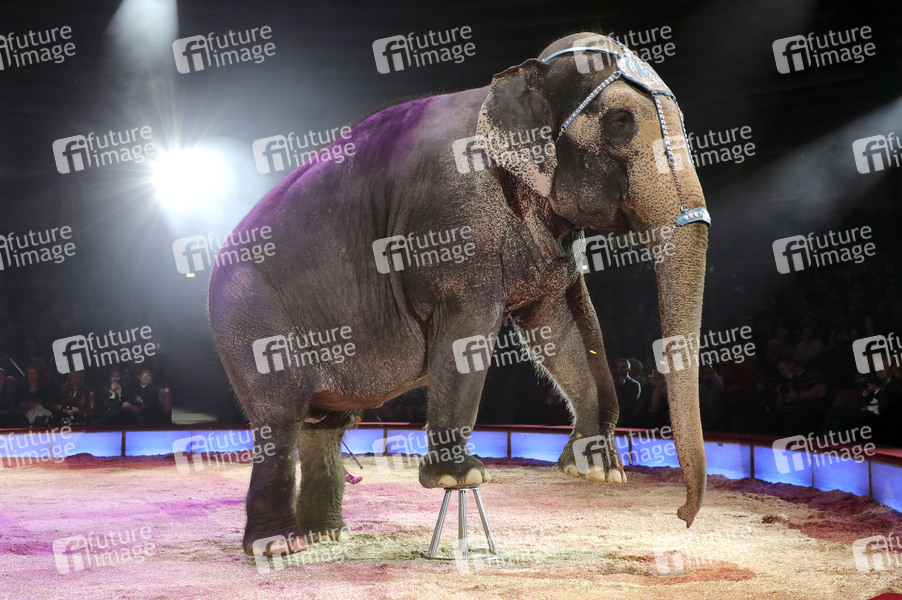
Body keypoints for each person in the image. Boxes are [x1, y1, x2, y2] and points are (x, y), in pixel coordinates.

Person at [775, 359, 827, 435]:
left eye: (784, 369)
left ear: (792, 365)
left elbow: (820, 392)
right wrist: (779, 394)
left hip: (803, 413)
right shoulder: (787, 383)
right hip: (785, 415)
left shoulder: (810, 375)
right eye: (781, 372)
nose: (783, 374)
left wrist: (797, 397)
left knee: (792, 424)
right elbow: (779, 406)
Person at [613, 358, 641, 427]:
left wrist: (620, 408)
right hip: (615, 416)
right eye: (619, 367)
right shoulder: (613, 384)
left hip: (628, 417)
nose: (620, 369)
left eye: (623, 367)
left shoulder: (634, 384)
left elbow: (633, 401)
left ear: (629, 369)